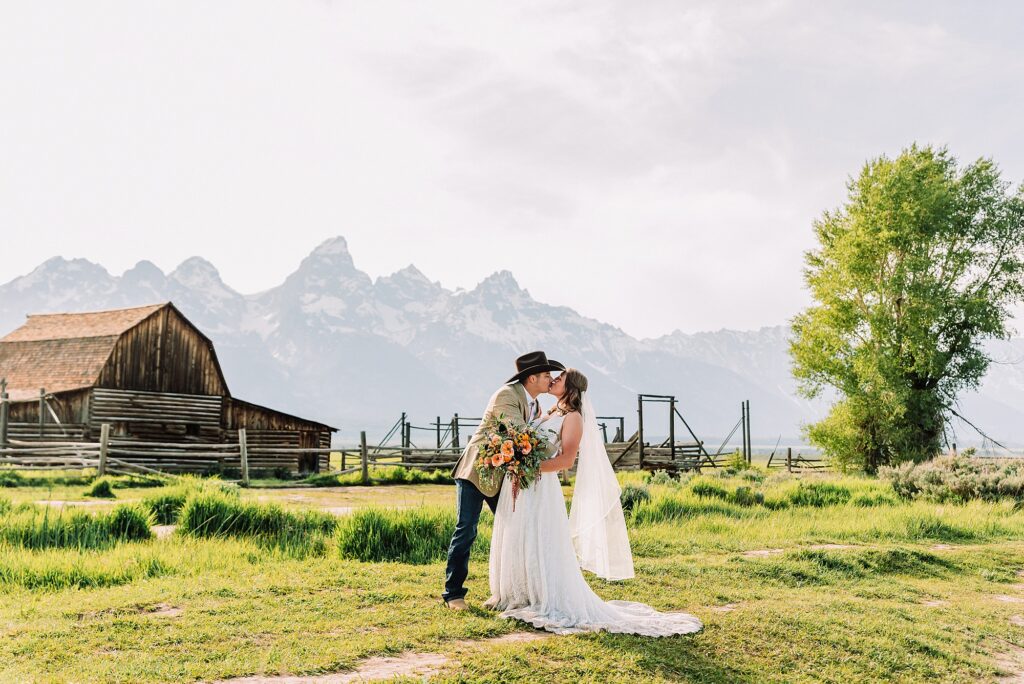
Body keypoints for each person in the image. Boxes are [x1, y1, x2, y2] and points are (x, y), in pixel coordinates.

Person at [485, 368, 703, 636]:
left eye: (560, 378)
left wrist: (528, 467)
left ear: (572, 387)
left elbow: (566, 460)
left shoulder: (574, 418)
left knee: (541, 539)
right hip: (527, 484)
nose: (553, 379)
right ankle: (521, 592)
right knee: (523, 536)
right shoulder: (551, 412)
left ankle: (544, 596)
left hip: (541, 486)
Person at [441, 351, 564, 610]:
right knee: (467, 529)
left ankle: (514, 592)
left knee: (516, 531)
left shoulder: (535, 404)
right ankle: (453, 595)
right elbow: (521, 435)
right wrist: (558, 451)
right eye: (545, 375)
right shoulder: (506, 395)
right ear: (532, 378)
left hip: (505, 476)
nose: (550, 379)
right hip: (477, 471)